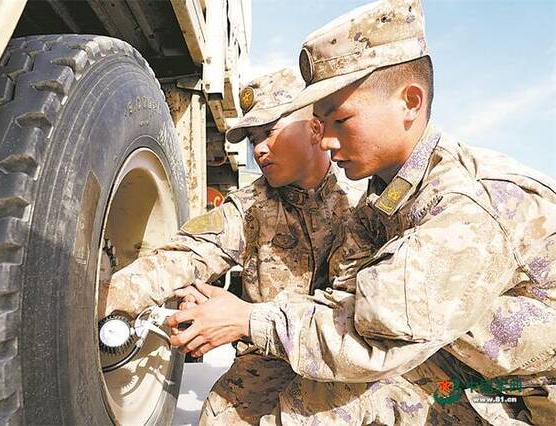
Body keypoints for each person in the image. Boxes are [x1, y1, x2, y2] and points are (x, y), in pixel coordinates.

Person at [167, 0, 556, 424]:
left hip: (518, 397)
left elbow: (372, 337)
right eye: (319, 125)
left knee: (321, 407)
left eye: (340, 121)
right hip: (461, 368)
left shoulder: (470, 207)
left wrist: (247, 319)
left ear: (409, 102)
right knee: (240, 403)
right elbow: (344, 295)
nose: (327, 141)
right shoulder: (385, 197)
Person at [100, 68, 365, 422]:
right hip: (269, 357)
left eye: (269, 132)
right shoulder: (251, 206)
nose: (259, 149)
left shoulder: (362, 204)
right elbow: (187, 253)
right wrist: (104, 297)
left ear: (315, 128)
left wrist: (237, 316)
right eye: (253, 138)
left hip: (346, 360)